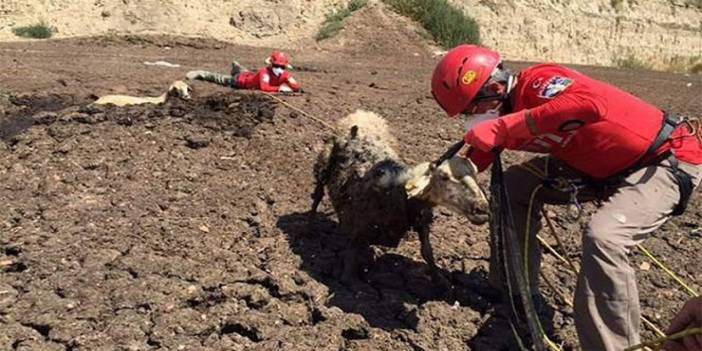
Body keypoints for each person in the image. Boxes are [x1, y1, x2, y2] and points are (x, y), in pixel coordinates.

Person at [430, 44, 702, 350]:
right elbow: (483, 148)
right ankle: (514, 289)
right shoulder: (506, 112)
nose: (469, 118)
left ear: (494, 89)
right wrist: (449, 174)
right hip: (596, 166)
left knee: (605, 237)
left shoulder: (540, 84)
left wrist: (502, 127)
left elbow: (591, 104)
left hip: (662, 159)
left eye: (470, 110)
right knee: (515, 186)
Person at [186, 50, 302, 93]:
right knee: (220, 79)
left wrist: (293, 86)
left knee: (243, 71)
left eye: (282, 67)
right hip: (241, 82)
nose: (279, 69)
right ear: (271, 64)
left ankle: (236, 67)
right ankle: (201, 73)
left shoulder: (285, 74)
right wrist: (280, 89)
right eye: (277, 66)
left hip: (249, 75)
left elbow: (296, 86)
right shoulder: (264, 73)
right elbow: (264, 87)